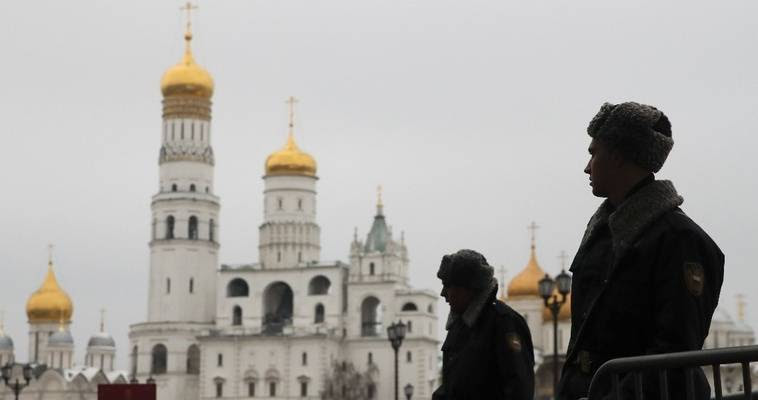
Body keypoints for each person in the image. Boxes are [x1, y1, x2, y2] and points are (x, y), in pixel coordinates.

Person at [557, 102, 724, 400]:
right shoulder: (604, 232)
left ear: (618, 158)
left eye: (594, 153)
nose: (587, 166)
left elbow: (674, 354)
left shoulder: (681, 241)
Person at [432, 249, 534, 400]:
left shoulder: (504, 323)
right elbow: (454, 385)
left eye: (448, 285)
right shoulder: (458, 327)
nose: (443, 293)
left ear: (468, 289)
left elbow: (518, 386)